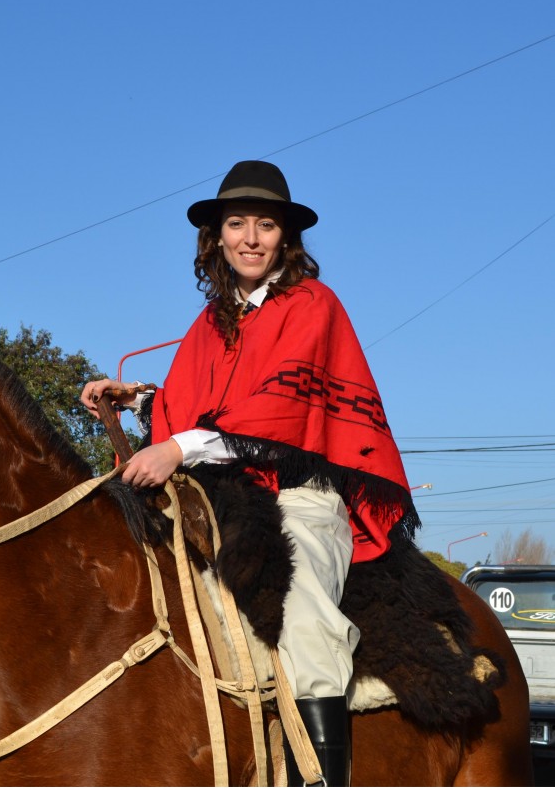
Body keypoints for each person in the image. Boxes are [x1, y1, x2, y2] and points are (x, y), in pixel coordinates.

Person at [81, 160, 416, 786]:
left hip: (300, 496)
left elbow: (274, 412)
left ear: (286, 237)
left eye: (266, 225)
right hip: (222, 498)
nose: (251, 238)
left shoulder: (313, 305)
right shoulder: (208, 323)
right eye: (237, 224)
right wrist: (138, 402)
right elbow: (201, 406)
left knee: (304, 613)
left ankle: (321, 779)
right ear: (218, 237)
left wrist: (177, 450)